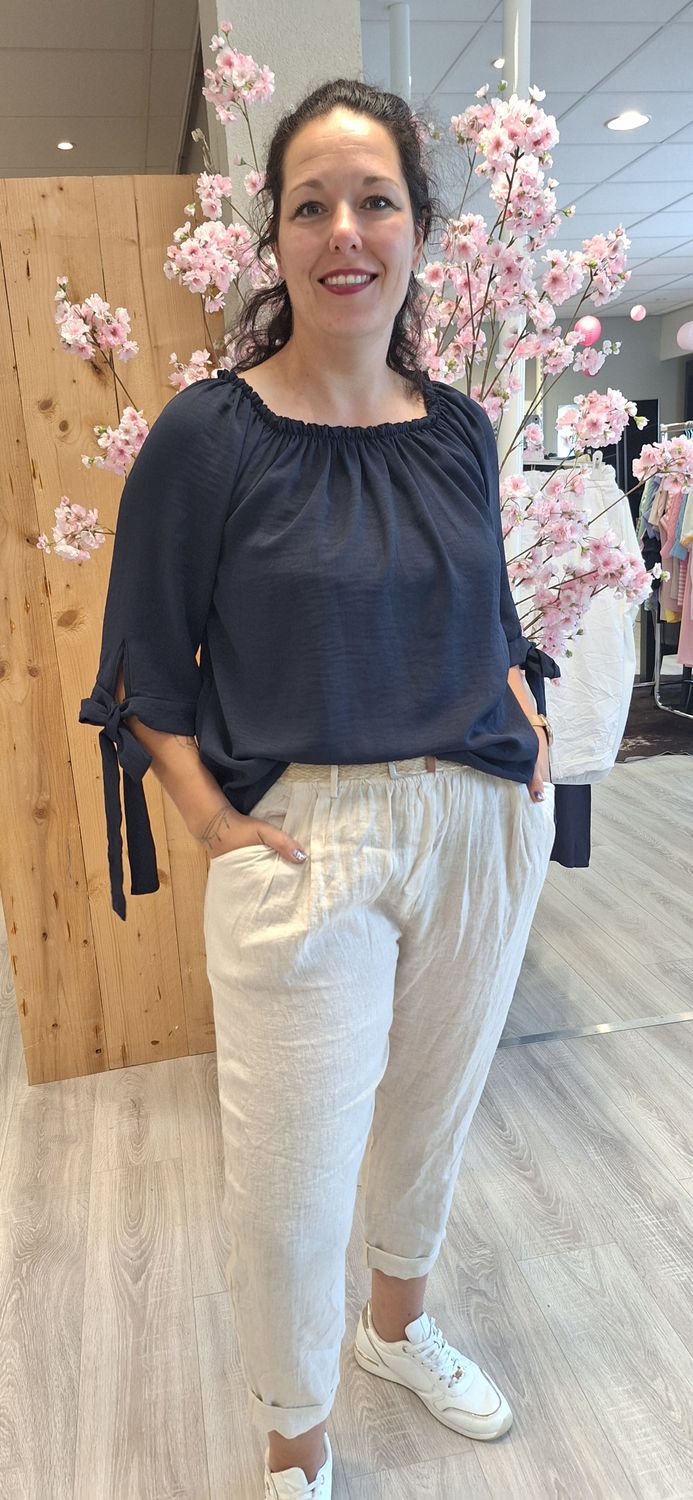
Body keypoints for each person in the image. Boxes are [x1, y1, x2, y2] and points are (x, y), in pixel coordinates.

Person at [80, 78, 558, 1500]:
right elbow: (142, 668)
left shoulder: (460, 429)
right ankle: (294, 1441)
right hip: (305, 845)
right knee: (288, 1178)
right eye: (311, 205)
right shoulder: (210, 436)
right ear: (275, 237)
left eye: (375, 201)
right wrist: (217, 828)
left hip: (477, 822)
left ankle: (396, 1333)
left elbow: (487, 604)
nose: (344, 231)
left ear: (417, 228)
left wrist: (525, 717)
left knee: (432, 1115)